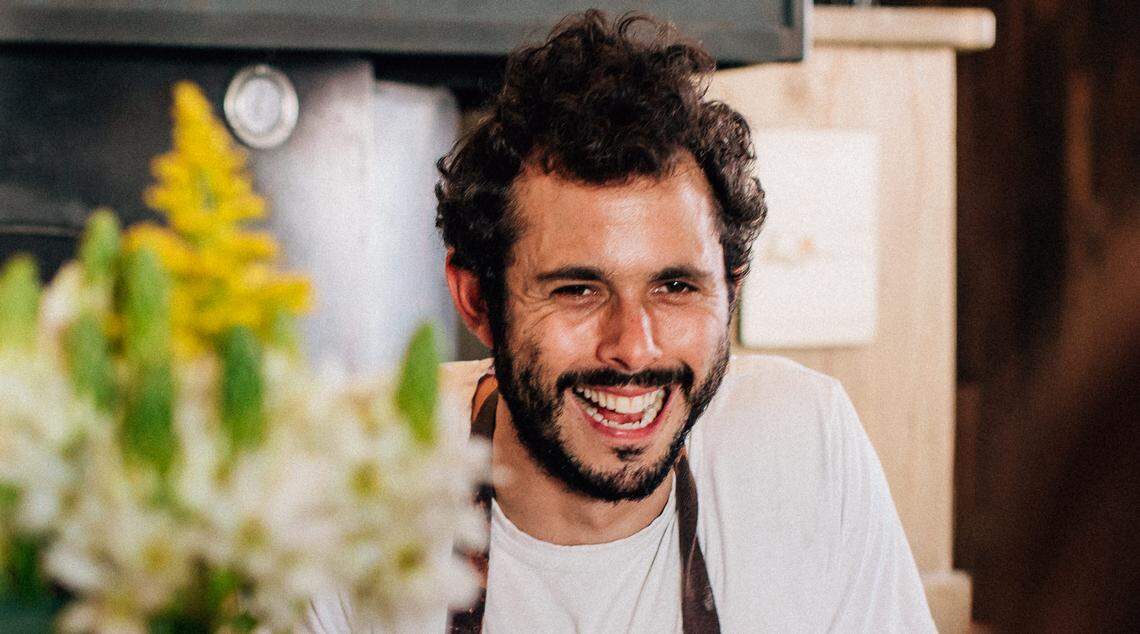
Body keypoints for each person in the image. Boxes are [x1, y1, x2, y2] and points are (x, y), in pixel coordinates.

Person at [309, 10, 933, 632]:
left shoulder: (801, 444)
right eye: (578, 290)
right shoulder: (346, 480)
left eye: (675, 287)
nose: (634, 347)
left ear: (731, 290)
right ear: (477, 300)